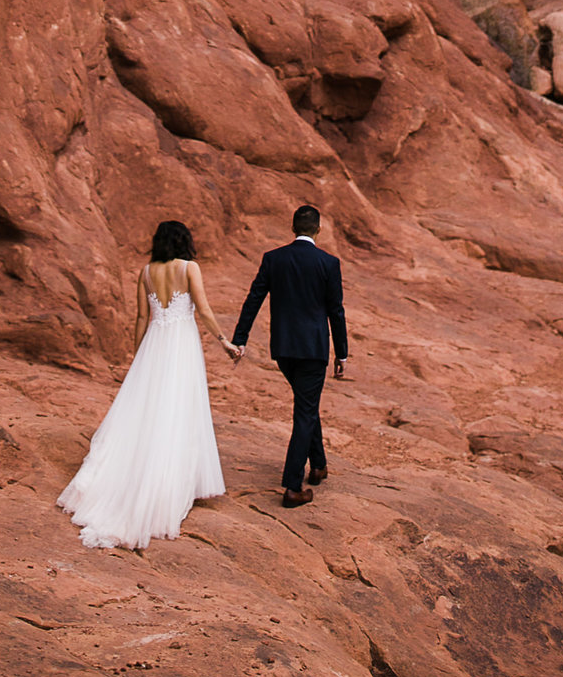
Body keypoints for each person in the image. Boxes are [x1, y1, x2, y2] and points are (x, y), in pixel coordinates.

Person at [57, 219, 235, 549]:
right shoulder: (189, 268)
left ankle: (138, 478)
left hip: (154, 345)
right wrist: (224, 340)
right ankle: (166, 488)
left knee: (146, 413)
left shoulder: (146, 272)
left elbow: (141, 318)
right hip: (181, 346)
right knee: (178, 409)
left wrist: (139, 356)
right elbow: (204, 310)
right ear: (184, 241)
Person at [230, 204, 349, 508]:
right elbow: (336, 310)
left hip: (283, 349)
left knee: (307, 405)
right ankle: (293, 486)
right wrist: (342, 353)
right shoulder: (328, 263)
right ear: (318, 229)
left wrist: (240, 339)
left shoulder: (274, 259)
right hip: (313, 349)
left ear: (293, 227)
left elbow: (253, 298)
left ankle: (319, 466)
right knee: (305, 410)